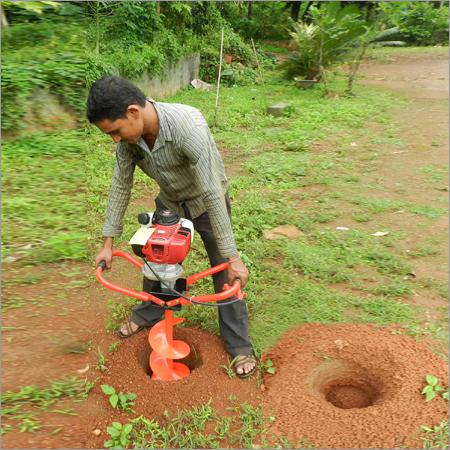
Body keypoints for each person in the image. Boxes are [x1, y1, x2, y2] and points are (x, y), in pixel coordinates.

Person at [87, 76, 256, 378]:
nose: (114, 139)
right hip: (169, 204)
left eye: (114, 131)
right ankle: (150, 312)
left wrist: (233, 257)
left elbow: (212, 191)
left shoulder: (187, 127)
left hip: (206, 201)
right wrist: (108, 242)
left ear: (133, 112)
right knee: (156, 259)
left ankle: (239, 344)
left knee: (224, 270)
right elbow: (120, 185)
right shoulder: (130, 141)